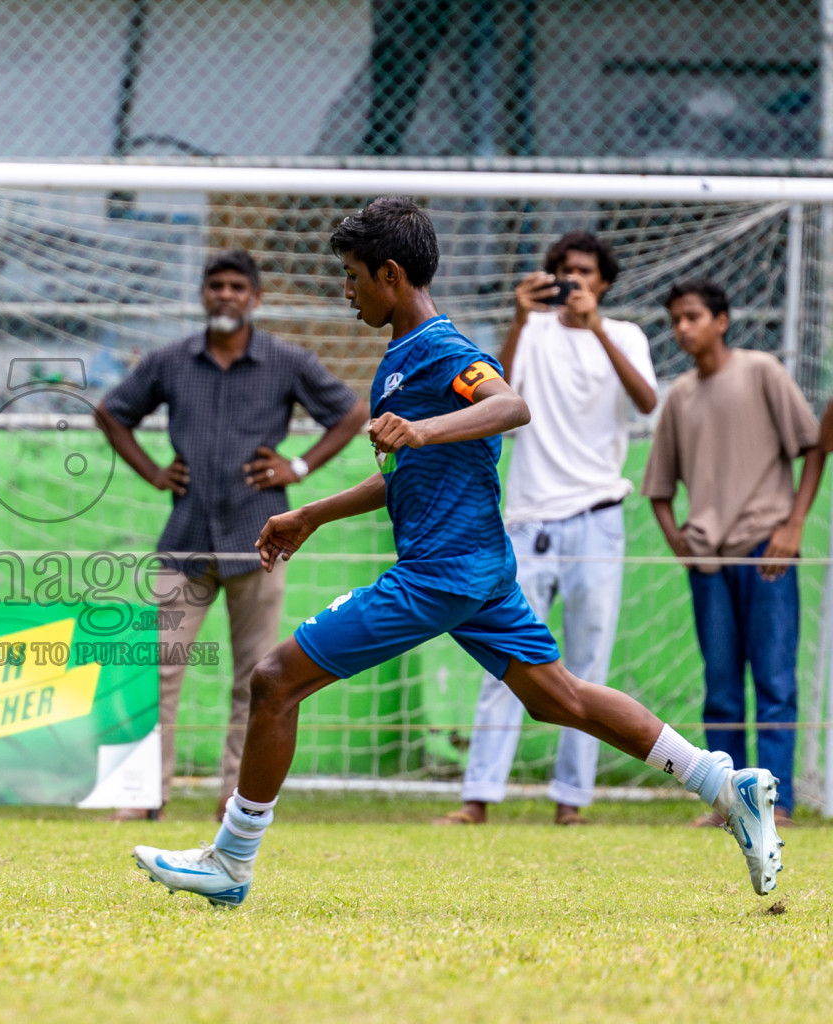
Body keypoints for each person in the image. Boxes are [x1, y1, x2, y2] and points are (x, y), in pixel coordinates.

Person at [131, 198, 784, 907]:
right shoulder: (398, 362)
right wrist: (312, 513)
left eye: (352, 277)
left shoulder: (442, 350)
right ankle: (724, 783)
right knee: (560, 698)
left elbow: (510, 405)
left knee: (272, 679)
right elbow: (405, 475)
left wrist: (422, 430)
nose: (345, 291)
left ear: (390, 273)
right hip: (482, 574)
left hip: (439, 576)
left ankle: (231, 861)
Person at [95, 249, 367, 820]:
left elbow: (350, 412)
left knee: (257, 676)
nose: (225, 295)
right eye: (215, 285)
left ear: (256, 298)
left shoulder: (286, 360)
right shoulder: (170, 361)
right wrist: (152, 471)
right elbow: (110, 412)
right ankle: (142, 795)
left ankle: (233, 797)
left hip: (259, 539)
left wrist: (299, 466)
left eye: (237, 287)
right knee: (156, 667)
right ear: (203, 294)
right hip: (185, 539)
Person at [436, 232, 657, 827]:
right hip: (530, 518)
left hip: (598, 518)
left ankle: (571, 802)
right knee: (506, 657)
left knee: (588, 665)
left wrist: (599, 330)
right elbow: (497, 397)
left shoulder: (628, 335)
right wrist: (518, 313)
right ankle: (477, 797)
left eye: (583, 272)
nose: (572, 281)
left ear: (603, 282)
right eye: (563, 271)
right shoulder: (532, 330)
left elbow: (645, 402)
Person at [641, 279, 823, 828]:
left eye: (692, 316)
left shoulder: (762, 370)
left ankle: (779, 802)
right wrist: (679, 542)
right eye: (675, 319)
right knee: (721, 689)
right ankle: (728, 804)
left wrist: (793, 525)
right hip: (709, 564)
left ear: (722, 320)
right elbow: (659, 490)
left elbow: (813, 447)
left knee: (775, 683)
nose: (682, 328)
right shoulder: (679, 396)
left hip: (767, 552)